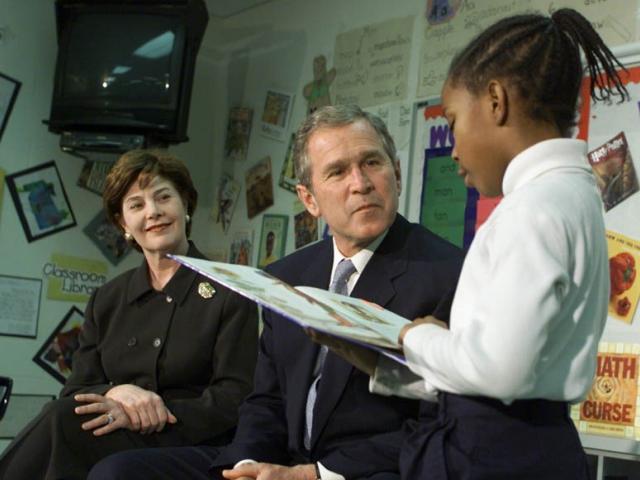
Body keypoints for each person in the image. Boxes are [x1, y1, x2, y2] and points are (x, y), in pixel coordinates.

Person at [315, 8, 629, 480]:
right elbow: (512, 380)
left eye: (456, 121)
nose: (455, 149)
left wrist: (411, 336)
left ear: (496, 102)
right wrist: (387, 368)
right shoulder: (573, 194)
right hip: (523, 443)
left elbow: (500, 372)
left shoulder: (532, 209)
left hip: (492, 458)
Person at [87, 105, 463, 480]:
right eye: (337, 172)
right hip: (278, 461)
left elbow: (445, 419)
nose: (360, 183)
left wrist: (315, 474)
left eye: (372, 163)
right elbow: (265, 400)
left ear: (395, 172)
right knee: (117, 473)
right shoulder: (287, 276)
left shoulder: (447, 274)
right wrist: (247, 464)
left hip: (363, 471)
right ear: (309, 199)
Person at [0, 150, 259, 480]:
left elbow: (235, 397)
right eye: (137, 205)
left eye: (163, 197)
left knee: (61, 424)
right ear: (123, 222)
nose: (153, 212)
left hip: (191, 439)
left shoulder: (230, 291)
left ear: (185, 204)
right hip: (116, 435)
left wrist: (157, 412)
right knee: (64, 418)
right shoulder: (106, 299)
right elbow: (77, 388)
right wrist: (115, 393)